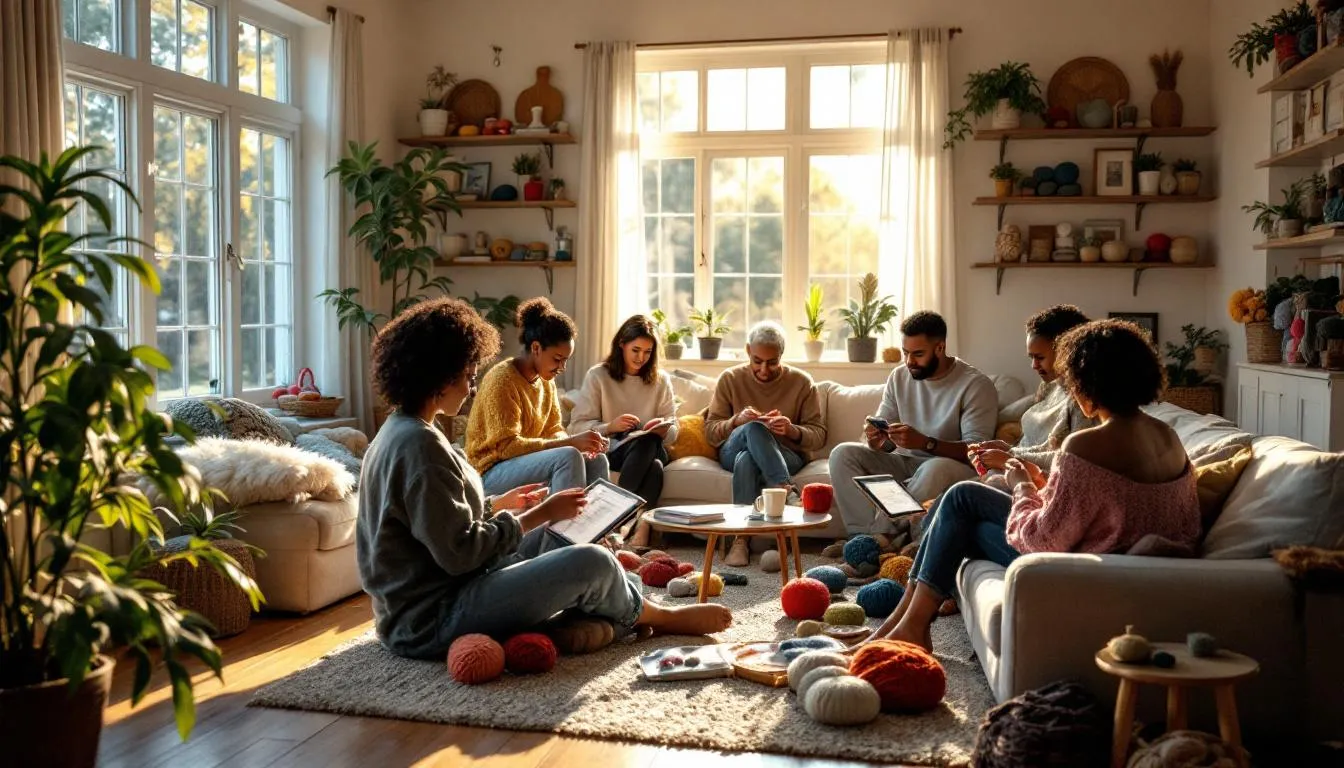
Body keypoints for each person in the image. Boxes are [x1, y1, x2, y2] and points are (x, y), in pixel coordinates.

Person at [357, 298, 732, 660]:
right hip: (431, 618)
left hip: (437, 596)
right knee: (589, 562)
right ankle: (650, 616)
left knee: (566, 544)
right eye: (469, 377)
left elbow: (433, 523)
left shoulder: (401, 431)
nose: (472, 388)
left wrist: (499, 505)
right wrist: (541, 513)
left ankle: (595, 612)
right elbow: (460, 554)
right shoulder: (421, 447)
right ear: (440, 375)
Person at [860, 319, 1201, 653]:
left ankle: (910, 625)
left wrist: (1021, 485)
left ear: (1085, 383)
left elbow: (1042, 539)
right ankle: (905, 622)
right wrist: (1042, 484)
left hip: (1084, 572)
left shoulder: (1085, 445)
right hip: (1124, 562)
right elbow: (1142, 510)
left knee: (961, 505)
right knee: (961, 501)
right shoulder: (1168, 437)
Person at [828, 311, 999, 540]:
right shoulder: (899, 376)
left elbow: (978, 453)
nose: (909, 362)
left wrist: (925, 443)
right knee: (842, 454)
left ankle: (879, 538)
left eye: (918, 354)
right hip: (904, 462)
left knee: (934, 468)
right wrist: (877, 440)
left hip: (950, 466)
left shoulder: (976, 385)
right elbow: (885, 439)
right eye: (905, 353)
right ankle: (863, 538)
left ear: (940, 348)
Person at [704, 321, 827, 566]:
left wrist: (792, 430)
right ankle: (785, 488)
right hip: (733, 448)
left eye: (772, 362)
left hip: (786, 455)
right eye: (757, 360)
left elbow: (819, 435)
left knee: (747, 460)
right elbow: (710, 433)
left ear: (781, 354)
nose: (764, 369)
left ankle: (741, 540)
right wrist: (735, 421)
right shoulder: (730, 378)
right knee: (753, 428)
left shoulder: (802, 382)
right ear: (748, 351)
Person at [467, 297, 609, 496]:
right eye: (557, 359)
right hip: (489, 472)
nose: (562, 367)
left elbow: (554, 429)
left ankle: (600, 524)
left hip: (524, 463)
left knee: (595, 460)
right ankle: (562, 528)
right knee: (568, 455)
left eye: (566, 360)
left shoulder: (546, 381)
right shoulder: (502, 380)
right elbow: (507, 447)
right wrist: (570, 443)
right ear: (536, 348)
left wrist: (580, 444)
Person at [569, 315, 678, 549]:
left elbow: (674, 431)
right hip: (614, 449)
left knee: (647, 442)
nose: (641, 358)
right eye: (636, 350)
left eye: (648, 352)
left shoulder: (661, 380)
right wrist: (610, 427)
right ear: (621, 345)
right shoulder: (598, 376)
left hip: (654, 446)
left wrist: (661, 430)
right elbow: (576, 427)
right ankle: (642, 528)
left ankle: (615, 521)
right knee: (655, 469)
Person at [968, 305, 1097, 489]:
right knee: (945, 497)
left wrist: (1010, 456)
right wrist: (1006, 449)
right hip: (1016, 473)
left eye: (1039, 357)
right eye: (1031, 357)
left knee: (960, 494)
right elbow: (1036, 444)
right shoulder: (1048, 387)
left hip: (1040, 484)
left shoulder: (1084, 402)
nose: (1034, 366)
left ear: (1067, 353)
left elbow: (1071, 462)